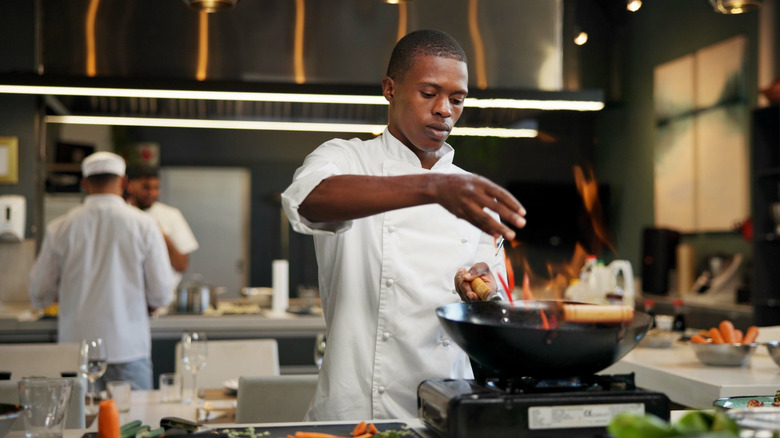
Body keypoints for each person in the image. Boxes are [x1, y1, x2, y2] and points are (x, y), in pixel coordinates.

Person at [281, 29, 526, 421]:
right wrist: (431, 187)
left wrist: (482, 287)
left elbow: (491, 295)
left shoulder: (468, 191)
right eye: (429, 93)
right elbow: (310, 202)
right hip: (357, 411)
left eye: (457, 99)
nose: (445, 110)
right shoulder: (345, 158)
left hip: (449, 406)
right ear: (390, 89)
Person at [29, 152, 173, 390]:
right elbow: (161, 294)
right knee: (134, 423)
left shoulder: (60, 227)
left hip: (76, 353)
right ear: (124, 182)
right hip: (129, 349)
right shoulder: (144, 224)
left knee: (78, 425)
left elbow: (39, 293)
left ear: (84, 184)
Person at [126, 166, 199, 291]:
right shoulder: (122, 216)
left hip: (164, 296)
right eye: (146, 187)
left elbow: (182, 265)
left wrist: (160, 235)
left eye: (156, 188)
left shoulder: (171, 215)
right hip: (128, 293)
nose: (152, 193)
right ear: (130, 186)